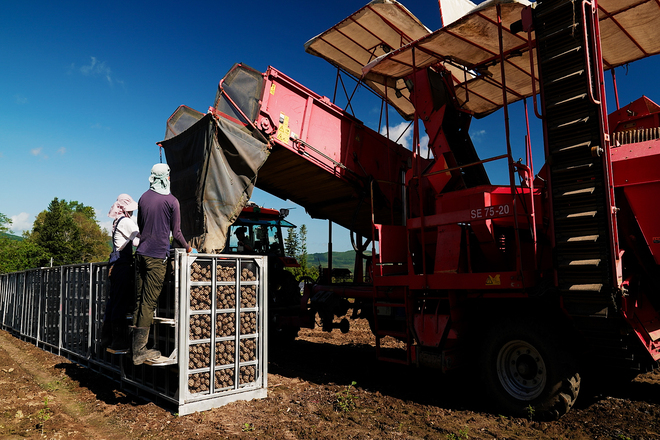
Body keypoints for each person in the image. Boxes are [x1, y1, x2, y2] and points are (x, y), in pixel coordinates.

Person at [132, 163, 194, 365]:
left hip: (140, 253)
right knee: (149, 303)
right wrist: (187, 247)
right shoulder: (172, 201)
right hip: (157, 256)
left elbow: (141, 226)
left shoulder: (143, 197)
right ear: (166, 177)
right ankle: (140, 351)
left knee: (139, 300)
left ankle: (135, 346)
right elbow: (176, 233)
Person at [102, 194, 140, 353]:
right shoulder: (125, 221)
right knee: (119, 302)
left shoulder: (116, 221)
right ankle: (117, 340)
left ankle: (107, 337)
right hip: (122, 265)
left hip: (115, 265)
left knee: (113, 301)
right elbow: (138, 239)